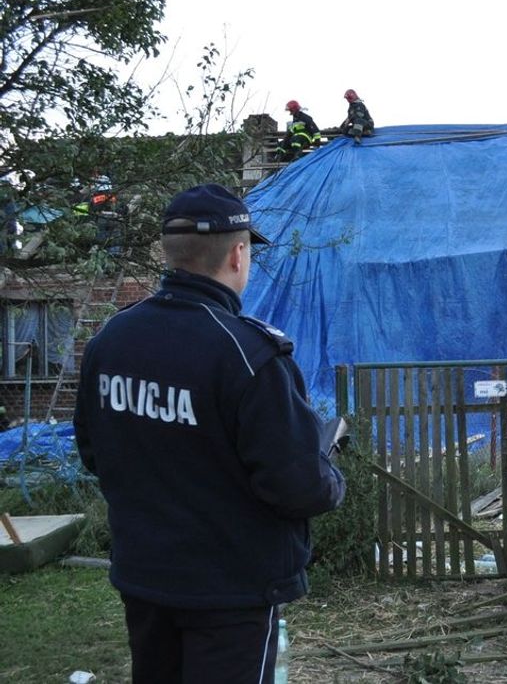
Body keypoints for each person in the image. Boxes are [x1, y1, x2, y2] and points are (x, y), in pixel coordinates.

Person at [73, 183, 346, 683]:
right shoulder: (249, 354)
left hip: (145, 579)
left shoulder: (110, 340)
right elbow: (298, 486)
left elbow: (95, 451)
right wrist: (330, 472)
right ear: (238, 255)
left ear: (168, 254)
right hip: (231, 592)